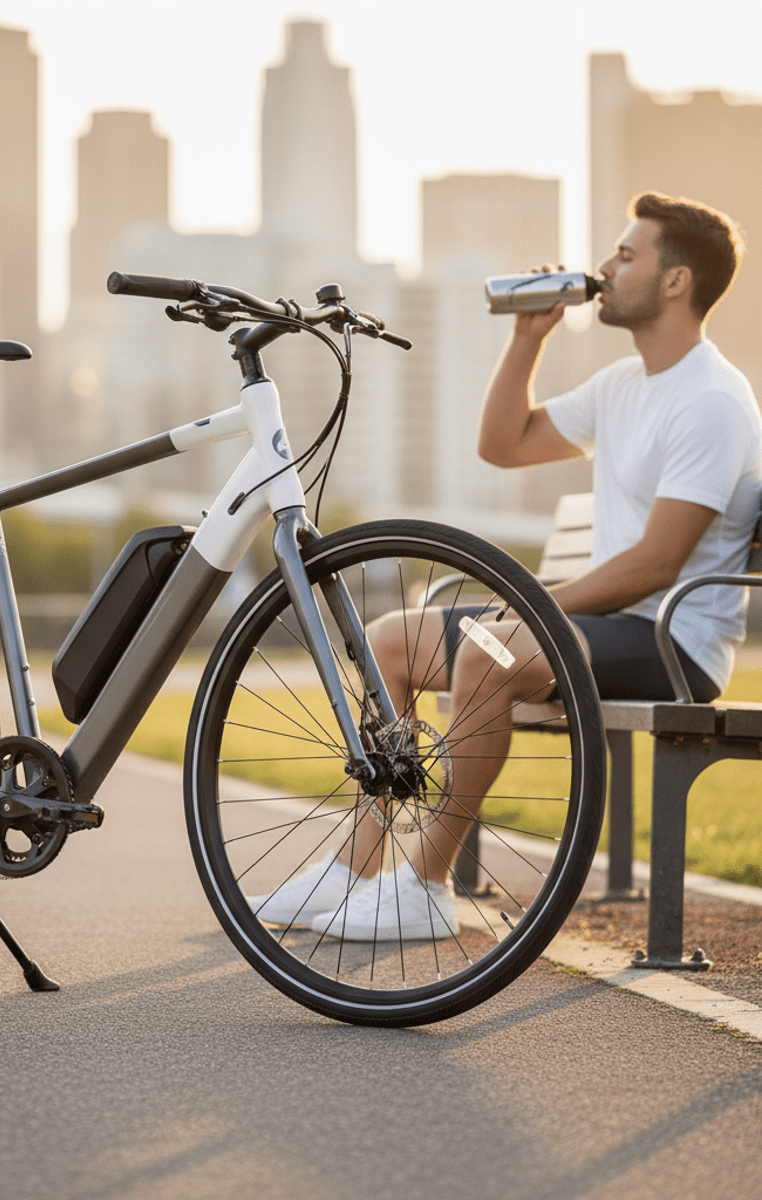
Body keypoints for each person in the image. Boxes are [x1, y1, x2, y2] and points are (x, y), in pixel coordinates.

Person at [250, 191, 762, 940]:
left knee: (487, 652)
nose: (605, 266)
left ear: (676, 281)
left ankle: (424, 887)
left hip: (672, 640)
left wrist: (536, 602)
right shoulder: (624, 385)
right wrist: (528, 339)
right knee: (390, 640)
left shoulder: (712, 400)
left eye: (626, 255)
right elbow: (504, 445)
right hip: (601, 623)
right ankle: (352, 868)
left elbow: (658, 563)